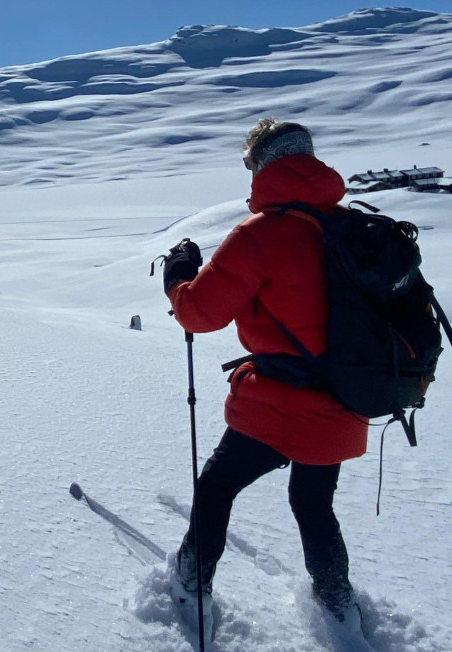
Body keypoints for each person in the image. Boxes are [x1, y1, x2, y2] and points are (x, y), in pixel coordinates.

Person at [160, 119, 367, 621]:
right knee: (313, 502)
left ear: (261, 166)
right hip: (347, 397)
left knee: (216, 485)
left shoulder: (261, 234)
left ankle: (191, 583)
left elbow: (198, 314)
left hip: (280, 401)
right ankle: (338, 603)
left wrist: (177, 278)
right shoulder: (351, 226)